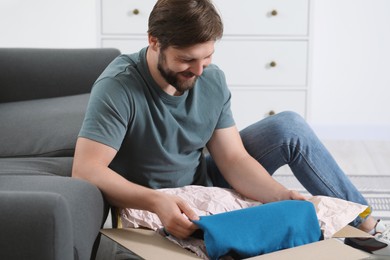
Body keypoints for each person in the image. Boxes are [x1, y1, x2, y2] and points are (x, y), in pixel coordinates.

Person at [72, 0, 389, 255]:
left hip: (203, 180)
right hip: (151, 196)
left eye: (207, 56)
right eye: (186, 60)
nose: (198, 70)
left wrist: (282, 196)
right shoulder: (119, 86)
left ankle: (365, 226)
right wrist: (156, 202)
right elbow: (87, 170)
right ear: (154, 42)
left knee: (288, 126)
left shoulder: (212, 78)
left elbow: (233, 159)